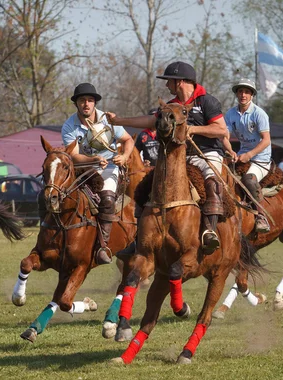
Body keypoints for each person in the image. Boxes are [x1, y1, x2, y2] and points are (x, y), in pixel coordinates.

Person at [107, 61, 235, 254]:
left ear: (180, 82)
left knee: (212, 181)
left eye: (169, 81)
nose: (167, 85)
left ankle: (210, 231)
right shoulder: (171, 105)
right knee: (145, 186)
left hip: (206, 154)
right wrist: (119, 121)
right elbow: (151, 121)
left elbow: (221, 129)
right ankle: (139, 238)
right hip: (178, 156)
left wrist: (191, 129)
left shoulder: (206, 101)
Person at [61, 83, 135, 265]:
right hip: (83, 168)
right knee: (59, 195)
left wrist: (124, 156)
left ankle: (103, 246)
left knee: (107, 199)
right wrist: (92, 159)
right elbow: (73, 155)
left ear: (94, 103)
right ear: (76, 104)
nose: (86, 104)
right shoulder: (69, 126)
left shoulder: (107, 119)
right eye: (82, 100)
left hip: (109, 167)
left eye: (90, 100)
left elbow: (128, 139)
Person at [224, 78, 272, 232]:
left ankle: (261, 216)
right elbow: (224, 136)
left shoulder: (259, 114)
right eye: (240, 91)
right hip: (241, 154)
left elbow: (266, 140)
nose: (243, 94)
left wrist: (249, 155)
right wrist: (230, 150)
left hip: (261, 159)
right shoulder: (231, 114)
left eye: (246, 91)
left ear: (252, 95)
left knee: (249, 180)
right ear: (237, 94)